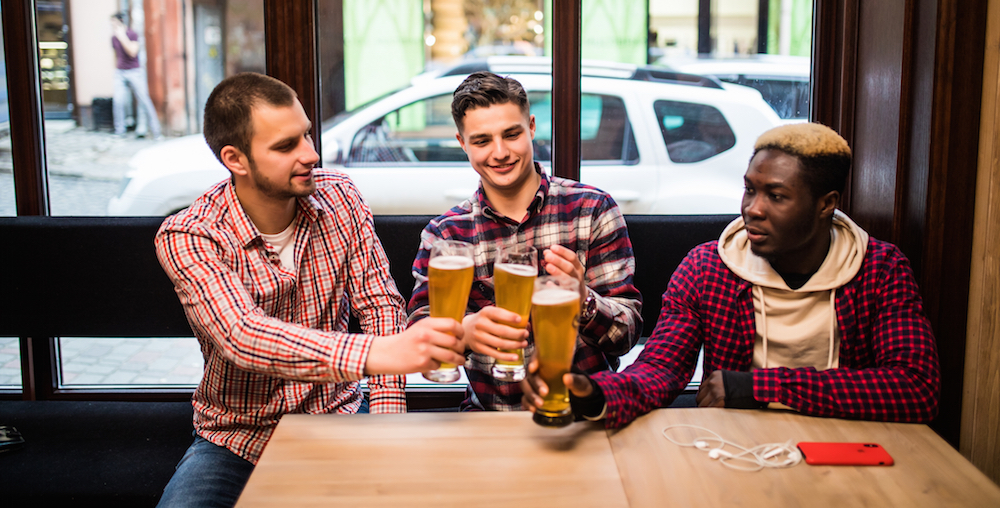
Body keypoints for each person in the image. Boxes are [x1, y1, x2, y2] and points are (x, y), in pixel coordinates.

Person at [154, 72, 465, 507]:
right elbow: (243, 336)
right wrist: (382, 353)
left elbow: (379, 306)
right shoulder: (191, 234)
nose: (311, 154)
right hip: (236, 438)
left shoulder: (341, 199)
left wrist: (388, 423)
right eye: (286, 146)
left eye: (306, 135)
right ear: (235, 159)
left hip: (339, 418)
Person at [522, 122, 941, 427]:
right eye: (750, 189)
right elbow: (661, 370)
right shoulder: (708, 267)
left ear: (825, 204)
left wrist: (757, 387)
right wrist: (594, 393)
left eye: (776, 195)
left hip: (848, 448)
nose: (752, 208)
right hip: (737, 448)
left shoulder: (879, 268)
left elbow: (916, 388)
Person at [407, 71, 643, 410]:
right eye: (482, 140)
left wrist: (583, 300)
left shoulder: (591, 209)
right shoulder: (446, 234)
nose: (499, 152)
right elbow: (418, 334)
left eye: (512, 134)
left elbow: (628, 335)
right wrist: (467, 331)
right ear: (462, 144)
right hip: (488, 419)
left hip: (581, 414)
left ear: (531, 127)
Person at [110, 12, 162, 139]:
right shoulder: (113, 38)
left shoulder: (131, 35)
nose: (112, 26)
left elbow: (132, 52)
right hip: (120, 72)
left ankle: (156, 132)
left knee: (144, 100)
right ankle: (120, 131)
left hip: (134, 71)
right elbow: (116, 55)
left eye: (114, 23)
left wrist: (122, 37)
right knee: (118, 101)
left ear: (120, 22)